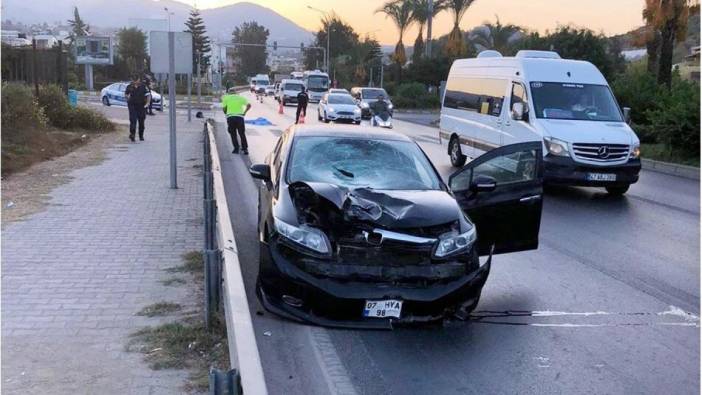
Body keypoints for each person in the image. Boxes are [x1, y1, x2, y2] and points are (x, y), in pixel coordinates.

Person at [221, 88, 252, 155]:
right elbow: (249, 105)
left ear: (229, 93)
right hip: (240, 117)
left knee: (233, 134)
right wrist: (244, 112)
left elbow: (224, 108)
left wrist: (226, 113)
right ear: (235, 92)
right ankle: (245, 149)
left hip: (230, 117)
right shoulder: (240, 98)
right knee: (242, 133)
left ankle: (236, 149)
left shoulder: (226, 98)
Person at [125, 74, 150, 141]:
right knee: (133, 121)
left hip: (141, 106)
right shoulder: (129, 86)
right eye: (134, 80)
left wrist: (147, 103)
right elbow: (126, 94)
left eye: (137, 80)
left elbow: (148, 96)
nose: (135, 81)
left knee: (141, 122)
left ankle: (141, 135)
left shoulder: (144, 86)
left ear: (139, 79)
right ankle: (132, 135)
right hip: (132, 106)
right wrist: (127, 98)